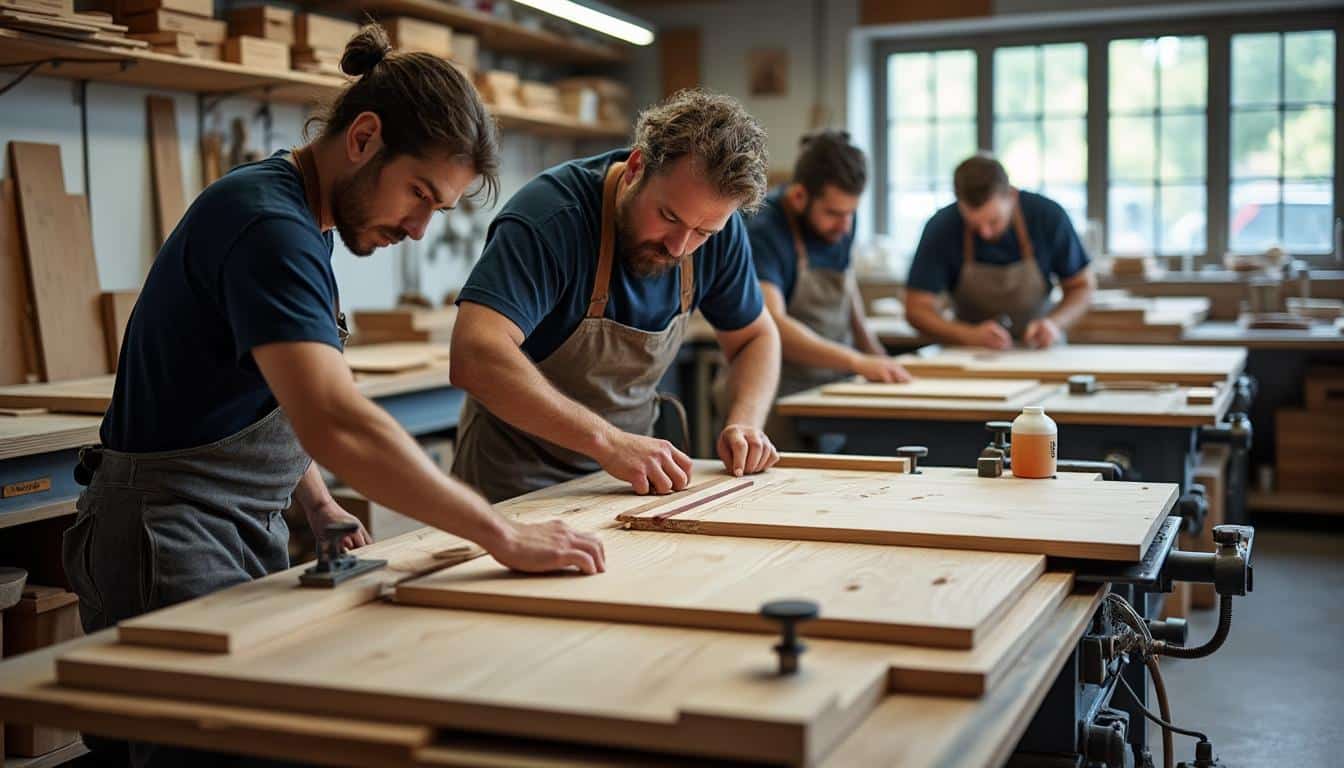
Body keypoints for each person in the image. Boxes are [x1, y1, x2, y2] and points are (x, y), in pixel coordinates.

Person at [66, 25, 606, 649]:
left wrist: (317, 501)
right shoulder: (268, 226)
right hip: (165, 534)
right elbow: (334, 418)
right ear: (364, 137)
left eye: (439, 209)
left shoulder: (301, 219)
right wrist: (501, 535)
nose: (420, 227)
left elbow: (274, 395)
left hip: (226, 521)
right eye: (418, 194)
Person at [449, 89, 782, 503]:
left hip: (624, 484)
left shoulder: (718, 230)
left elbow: (756, 337)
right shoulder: (550, 218)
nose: (679, 247)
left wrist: (746, 422)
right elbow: (475, 354)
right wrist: (606, 442)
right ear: (636, 168)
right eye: (668, 216)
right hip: (515, 486)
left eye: (702, 233)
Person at [745, 131, 909, 447]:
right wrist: (855, 361)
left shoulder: (841, 222)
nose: (845, 226)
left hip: (831, 383)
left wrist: (876, 353)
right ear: (799, 197)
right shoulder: (765, 231)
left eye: (851, 212)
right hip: (775, 390)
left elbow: (848, 292)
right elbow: (774, 325)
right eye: (834, 213)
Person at [904, 153, 1095, 349]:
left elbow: (1082, 286)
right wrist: (967, 335)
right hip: (970, 352)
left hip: (1040, 348)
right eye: (974, 225)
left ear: (1011, 195)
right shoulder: (942, 227)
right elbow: (917, 309)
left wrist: (1055, 323)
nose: (985, 233)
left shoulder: (1048, 217)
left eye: (994, 221)